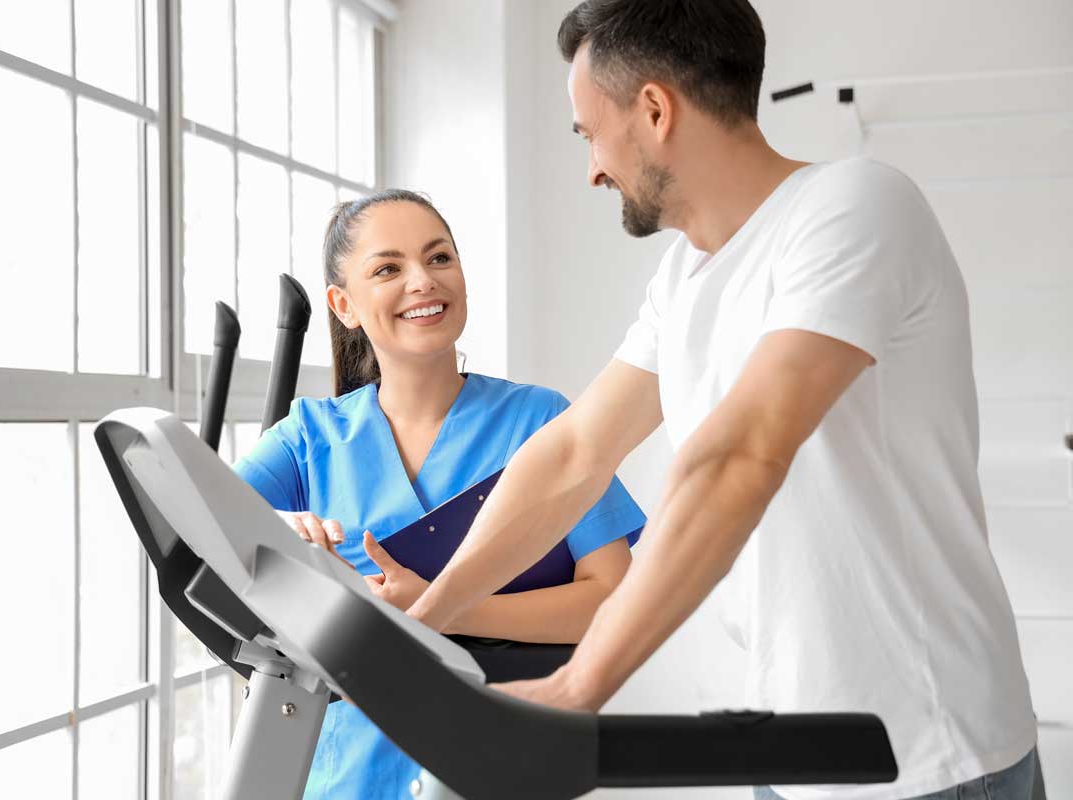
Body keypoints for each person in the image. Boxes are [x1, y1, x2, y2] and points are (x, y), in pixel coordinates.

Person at [406, 2, 1043, 799]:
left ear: (653, 110)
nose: (592, 168)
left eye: (587, 133)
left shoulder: (854, 207)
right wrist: (420, 620)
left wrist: (579, 690)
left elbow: (742, 454)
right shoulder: (686, 277)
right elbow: (576, 454)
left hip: (928, 752)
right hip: (789, 742)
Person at [232, 188, 646, 799]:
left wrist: (444, 607)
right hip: (346, 771)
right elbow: (199, 514)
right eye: (388, 268)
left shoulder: (541, 423)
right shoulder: (308, 437)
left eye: (439, 258)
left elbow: (614, 599)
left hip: (503, 760)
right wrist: (280, 526)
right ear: (343, 305)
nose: (423, 281)